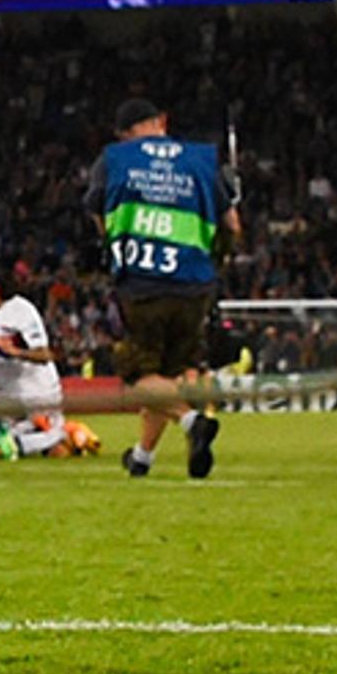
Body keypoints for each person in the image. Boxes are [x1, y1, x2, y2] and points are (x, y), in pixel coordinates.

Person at [96, 98, 236, 479]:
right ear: (161, 121)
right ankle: (142, 457)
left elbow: (99, 213)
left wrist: (117, 250)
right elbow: (233, 227)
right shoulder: (202, 162)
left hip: (143, 283)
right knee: (167, 376)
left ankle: (193, 423)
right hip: (194, 284)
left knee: (137, 372)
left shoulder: (117, 159)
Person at [0, 260, 89, 458]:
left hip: (36, 389)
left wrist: (16, 352)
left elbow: (45, 355)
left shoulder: (22, 311)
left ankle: (68, 433)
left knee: (57, 452)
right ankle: (25, 433)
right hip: (3, 390)